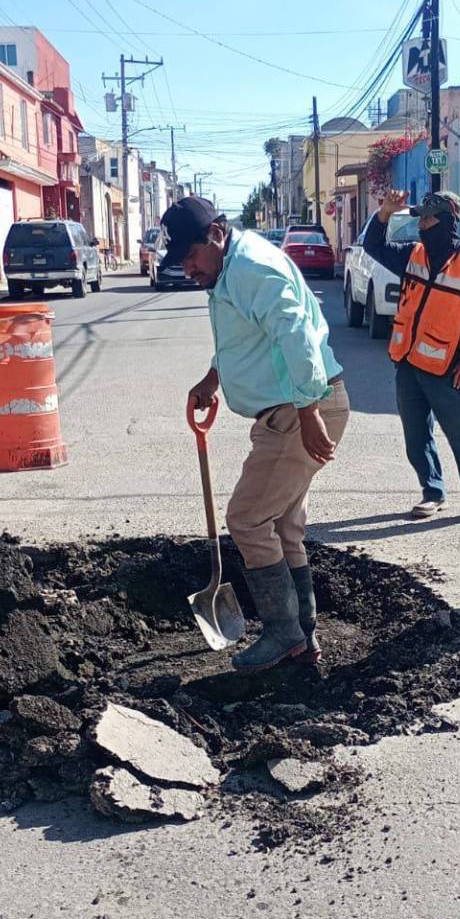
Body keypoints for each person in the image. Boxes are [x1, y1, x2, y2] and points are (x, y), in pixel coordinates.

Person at [169, 196, 350, 671]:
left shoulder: (251, 268)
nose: (188, 269)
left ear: (215, 235)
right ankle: (302, 636)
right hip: (294, 406)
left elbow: (294, 332)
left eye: (191, 256)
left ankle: (284, 633)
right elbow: (248, 338)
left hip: (298, 408)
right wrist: (213, 378)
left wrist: (308, 409)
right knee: (283, 526)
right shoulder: (229, 270)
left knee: (248, 519)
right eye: (181, 261)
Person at [363, 188, 460, 525]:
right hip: (408, 362)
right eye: (420, 219)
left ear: (448, 221)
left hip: (447, 366)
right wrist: (385, 213)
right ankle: (432, 491)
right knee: (416, 436)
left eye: (429, 219)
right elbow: (373, 246)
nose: (422, 225)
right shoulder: (413, 255)